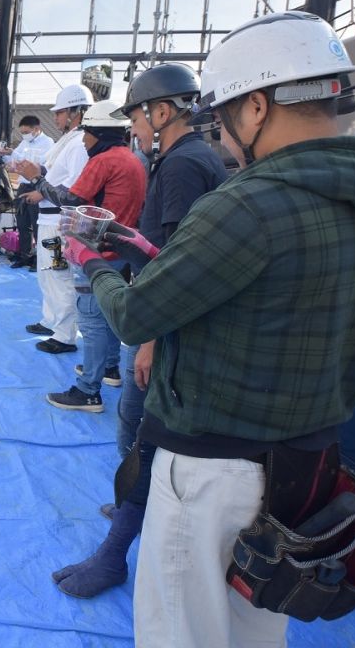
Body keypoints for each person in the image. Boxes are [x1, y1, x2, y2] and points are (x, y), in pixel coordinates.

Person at [65, 12, 355, 646]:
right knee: (252, 629)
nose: (224, 132)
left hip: (217, 471)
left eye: (227, 114)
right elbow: (267, 295)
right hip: (302, 471)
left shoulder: (248, 204)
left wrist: (96, 261)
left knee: (180, 630)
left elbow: (138, 315)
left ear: (259, 106)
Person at [50, 62, 227, 600]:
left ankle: (120, 544)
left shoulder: (179, 166)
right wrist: (125, 236)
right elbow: (172, 246)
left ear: (162, 111)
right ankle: (134, 510)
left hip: (161, 321)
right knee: (140, 425)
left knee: (142, 427)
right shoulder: (179, 160)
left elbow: (176, 266)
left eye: (140, 117)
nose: (137, 129)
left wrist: (148, 334)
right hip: (162, 313)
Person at [18, 99, 146, 413]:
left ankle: (88, 389)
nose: (83, 137)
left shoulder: (103, 161)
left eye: (87, 131)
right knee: (108, 314)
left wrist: (38, 179)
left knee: (91, 320)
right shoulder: (130, 158)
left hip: (97, 251)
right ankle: (109, 369)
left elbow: (71, 198)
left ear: (98, 132)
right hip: (120, 249)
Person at [19, 83, 93, 353]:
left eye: (60, 112)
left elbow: (74, 189)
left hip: (59, 222)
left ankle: (64, 335)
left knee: (59, 276)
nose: (56, 118)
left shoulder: (78, 145)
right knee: (47, 274)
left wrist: (39, 186)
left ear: (75, 111)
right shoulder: (68, 141)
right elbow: (54, 177)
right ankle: (51, 320)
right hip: (48, 219)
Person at [0, 115, 53, 269]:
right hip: (23, 185)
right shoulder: (24, 143)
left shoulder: (48, 143)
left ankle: (38, 258)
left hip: (37, 185)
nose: (24, 135)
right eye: (22, 132)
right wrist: (5, 157)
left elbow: (36, 165)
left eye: (26, 131)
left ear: (36, 129)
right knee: (22, 223)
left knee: (37, 224)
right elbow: (16, 162)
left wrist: (14, 153)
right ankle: (24, 255)